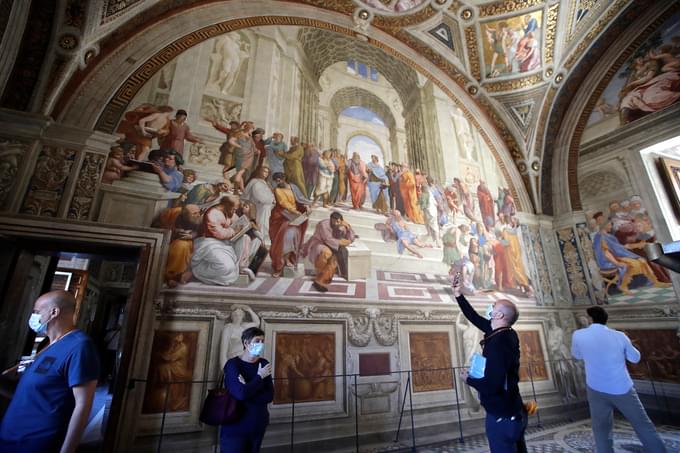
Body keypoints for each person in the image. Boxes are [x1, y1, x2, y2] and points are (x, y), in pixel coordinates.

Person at [0, 290, 100, 452]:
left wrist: (68, 450)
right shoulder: (47, 345)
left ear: (54, 312)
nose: (33, 316)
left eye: (37, 311)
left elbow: (83, 405)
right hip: (11, 437)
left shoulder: (80, 347)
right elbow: (32, 393)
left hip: (37, 443)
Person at [571, 306, 667, 453]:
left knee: (601, 429)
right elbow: (635, 358)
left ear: (590, 319)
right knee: (642, 424)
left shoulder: (578, 335)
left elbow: (577, 355)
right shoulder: (619, 336)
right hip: (621, 387)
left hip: (595, 387)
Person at [453, 276, 527, 453]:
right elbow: (473, 317)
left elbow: (493, 384)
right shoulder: (504, 332)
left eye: (493, 307)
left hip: (502, 415)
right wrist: (458, 295)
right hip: (513, 410)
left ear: (499, 315)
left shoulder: (499, 344)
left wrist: (469, 379)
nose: (490, 308)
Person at [222, 327, 274, 453]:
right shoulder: (233, 365)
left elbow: (269, 396)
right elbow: (240, 394)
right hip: (235, 426)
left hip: (258, 424)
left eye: (262, 341)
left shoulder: (263, 363)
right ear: (246, 343)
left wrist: (247, 388)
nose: (260, 344)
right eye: (257, 341)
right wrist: (259, 377)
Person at [302, 211, 356, 292]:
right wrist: (342, 242)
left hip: (334, 247)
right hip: (319, 243)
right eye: (334, 221)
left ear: (341, 220)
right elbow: (327, 239)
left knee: (334, 260)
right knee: (327, 253)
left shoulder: (341, 225)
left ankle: (320, 280)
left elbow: (351, 238)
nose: (336, 223)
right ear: (330, 219)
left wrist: (348, 227)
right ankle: (320, 278)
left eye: (338, 221)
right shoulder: (323, 224)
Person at [268, 173, 309, 277]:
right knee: (283, 238)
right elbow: (283, 203)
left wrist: (306, 206)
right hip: (281, 217)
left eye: (279, 180)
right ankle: (280, 265)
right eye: (276, 181)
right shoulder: (277, 190)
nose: (278, 182)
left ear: (284, 178)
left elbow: (300, 199)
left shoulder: (293, 187)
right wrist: (295, 212)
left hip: (294, 217)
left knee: (294, 234)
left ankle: (288, 259)